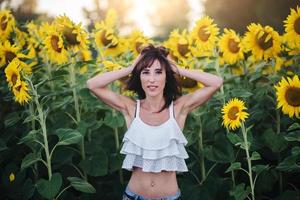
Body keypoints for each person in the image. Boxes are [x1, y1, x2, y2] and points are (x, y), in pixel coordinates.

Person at [86, 44, 223, 200]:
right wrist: (131, 68)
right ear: (139, 77)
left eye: (158, 72)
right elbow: (92, 84)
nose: (152, 79)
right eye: (145, 72)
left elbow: (216, 82)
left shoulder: (178, 109)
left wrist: (178, 69)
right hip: (133, 196)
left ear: (167, 76)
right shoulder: (131, 108)